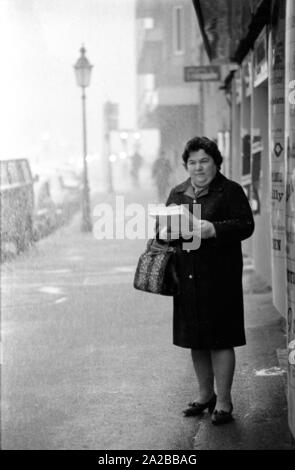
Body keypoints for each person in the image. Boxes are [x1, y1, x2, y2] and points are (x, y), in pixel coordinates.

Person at [161, 136, 254, 425]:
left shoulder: (230, 191)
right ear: (186, 165)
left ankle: (223, 401)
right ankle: (205, 395)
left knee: (220, 339)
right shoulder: (178, 193)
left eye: (204, 161)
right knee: (196, 340)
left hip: (219, 277)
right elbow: (163, 228)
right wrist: (163, 233)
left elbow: (245, 225)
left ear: (216, 162)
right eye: (192, 162)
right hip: (187, 276)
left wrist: (214, 229)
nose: (198, 167)